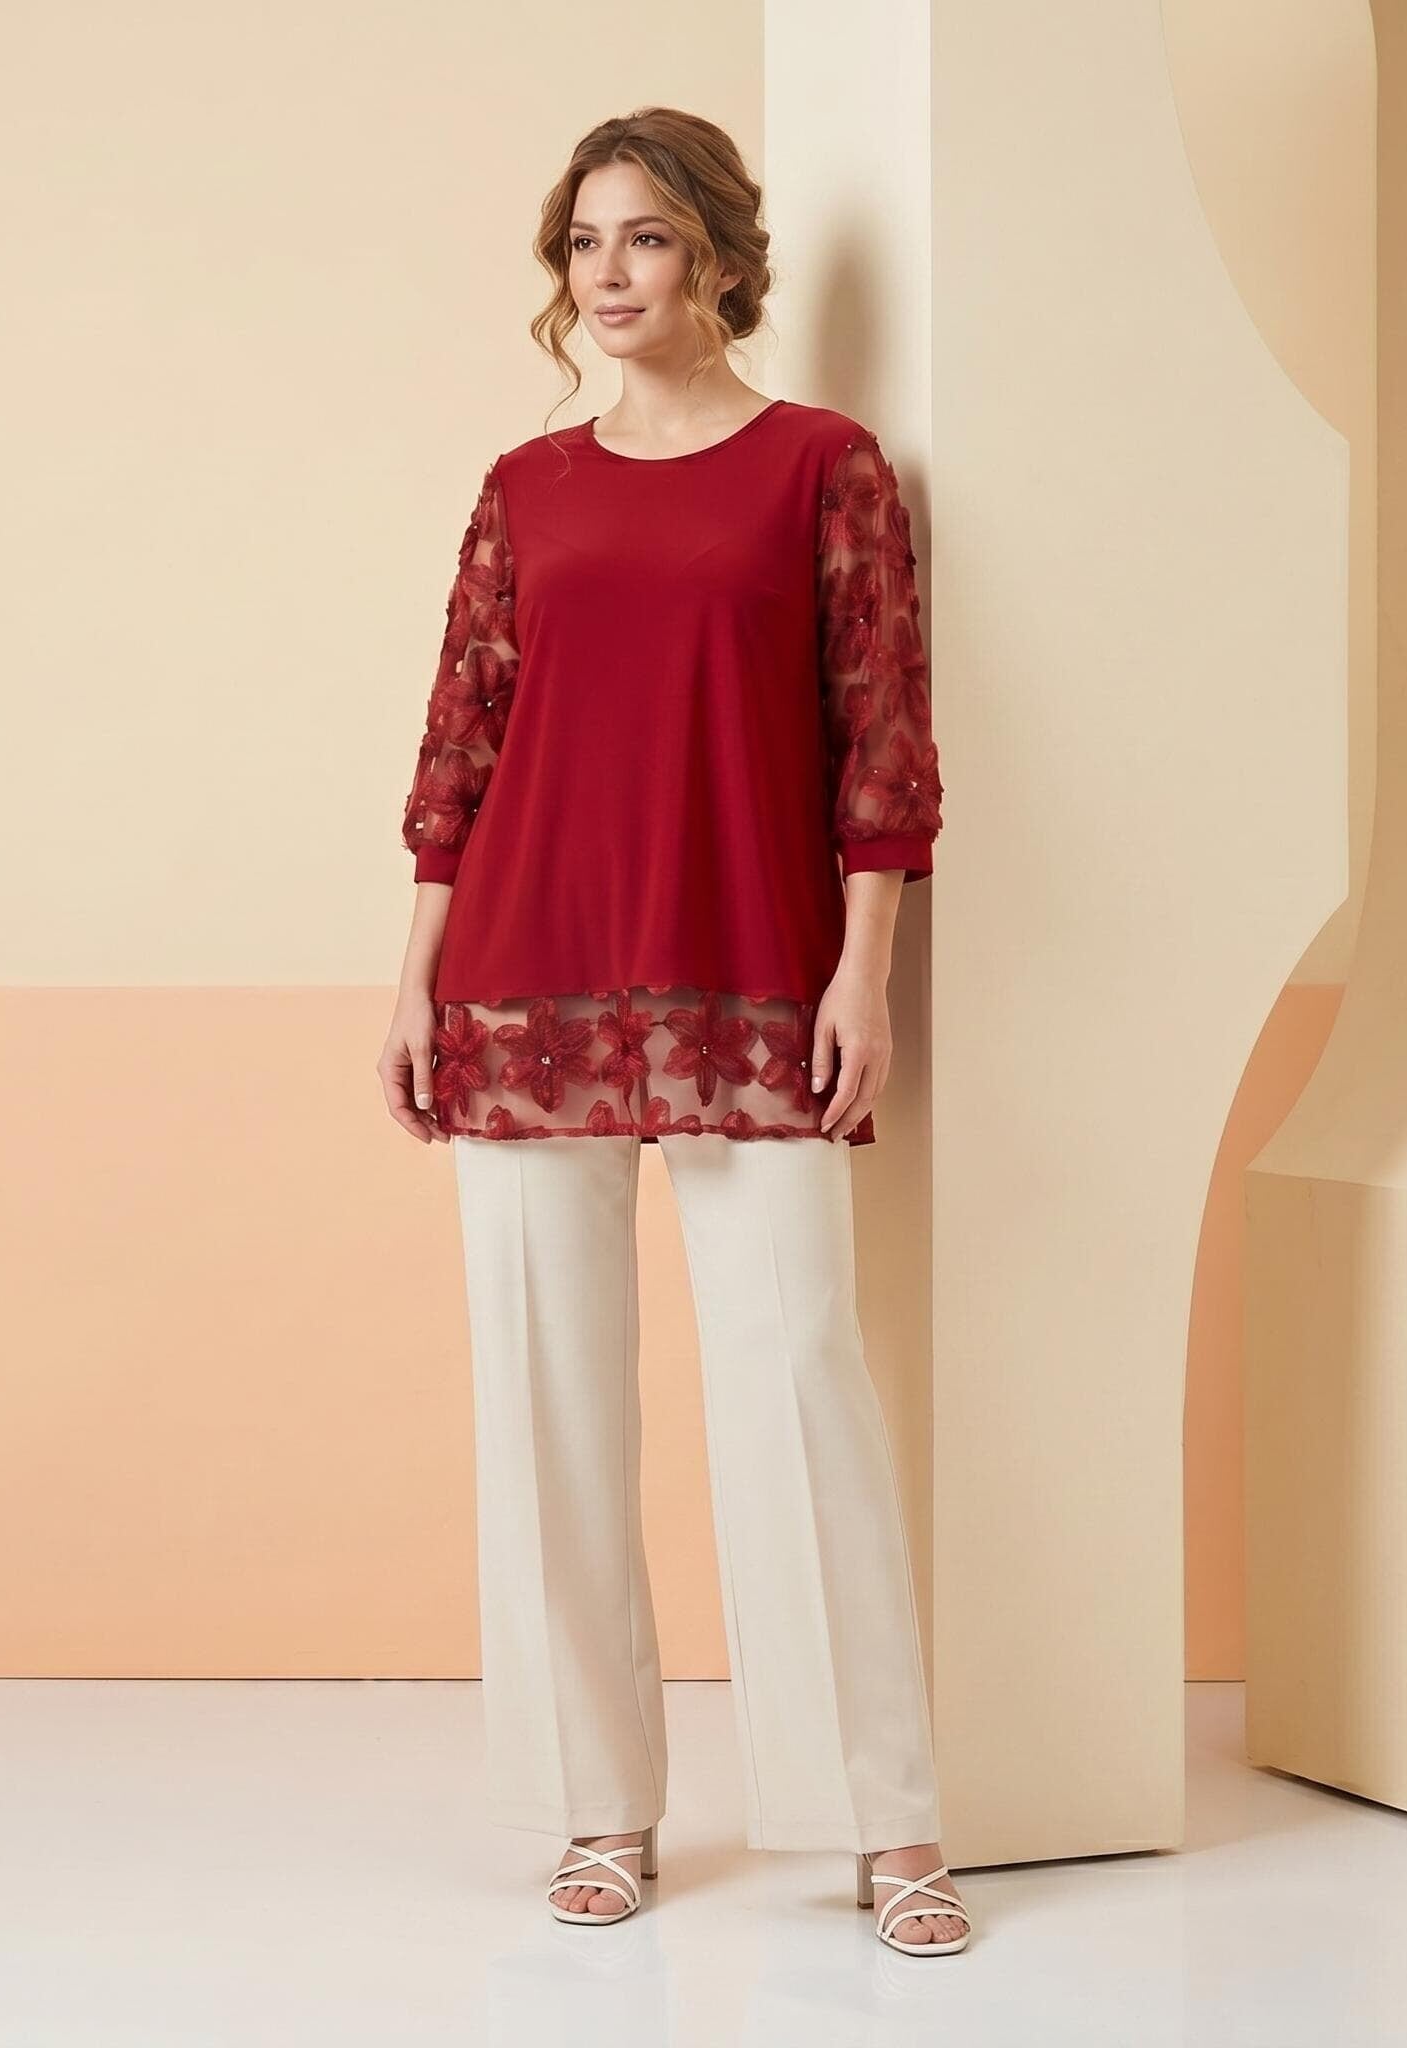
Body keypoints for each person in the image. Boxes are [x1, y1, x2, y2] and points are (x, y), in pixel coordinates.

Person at [375, 107, 965, 1956]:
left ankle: (884, 1819)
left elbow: (884, 735)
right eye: (583, 244)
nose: (607, 274)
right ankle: (598, 1808)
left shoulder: (823, 469)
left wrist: (862, 970)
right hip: (523, 974)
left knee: (799, 1381)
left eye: (642, 238)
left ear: (717, 254)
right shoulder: (525, 487)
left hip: (748, 973)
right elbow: (462, 738)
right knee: (546, 1399)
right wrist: (417, 974)